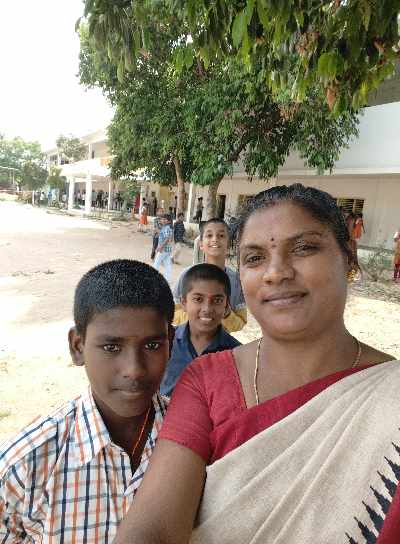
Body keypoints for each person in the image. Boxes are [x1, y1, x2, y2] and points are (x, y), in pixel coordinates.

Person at [114, 184, 398, 544]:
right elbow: (153, 528)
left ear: (349, 257)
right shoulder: (207, 380)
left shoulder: (391, 398)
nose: (275, 273)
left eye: (304, 248)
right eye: (254, 258)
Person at [0, 259, 174, 542]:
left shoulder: (198, 443)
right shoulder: (25, 467)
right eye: (112, 347)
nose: (134, 369)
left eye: (152, 345)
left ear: (171, 342)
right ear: (77, 347)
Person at [160, 264, 241, 397]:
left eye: (217, 300)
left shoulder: (237, 355)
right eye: (198, 299)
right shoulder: (164, 342)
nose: (207, 309)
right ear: (184, 303)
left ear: (226, 306)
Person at [174, 218, 247, 332]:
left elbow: (241, 322)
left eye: (221, 236)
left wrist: (227, 314)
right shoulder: (187, 275)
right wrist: (197, 317)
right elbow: (173, 313)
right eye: (209, 235)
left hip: (221, 342)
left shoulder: (237, 281)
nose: (215, 239)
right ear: (201, 244)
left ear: (228, 244)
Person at [153, 214, 173, 282]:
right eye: (162, 219)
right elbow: (164, 236)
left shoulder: (166, 228)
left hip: (163, 249)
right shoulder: (167, 228)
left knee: (156, 263)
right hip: (168, 250)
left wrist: (160, 247)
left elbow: (167, 239)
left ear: (169, 221)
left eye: (165, 219)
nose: (163, 220)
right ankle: (168, 279)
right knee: (167, 264)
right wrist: (158, 231)